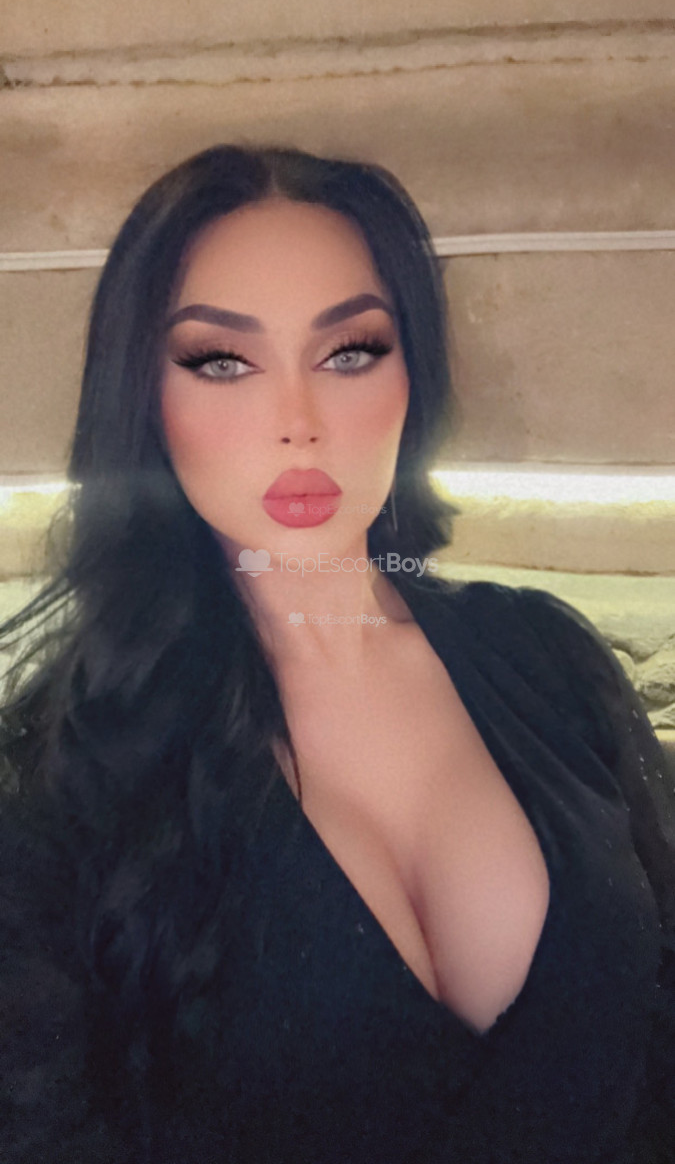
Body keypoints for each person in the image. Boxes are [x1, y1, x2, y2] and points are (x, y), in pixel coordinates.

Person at [0, 144, 673, 1164]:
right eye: (221, 361)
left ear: (414, 374)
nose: (298, 425)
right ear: (141, 401)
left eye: (350, 351)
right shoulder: (59, 784)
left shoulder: (548, 657)